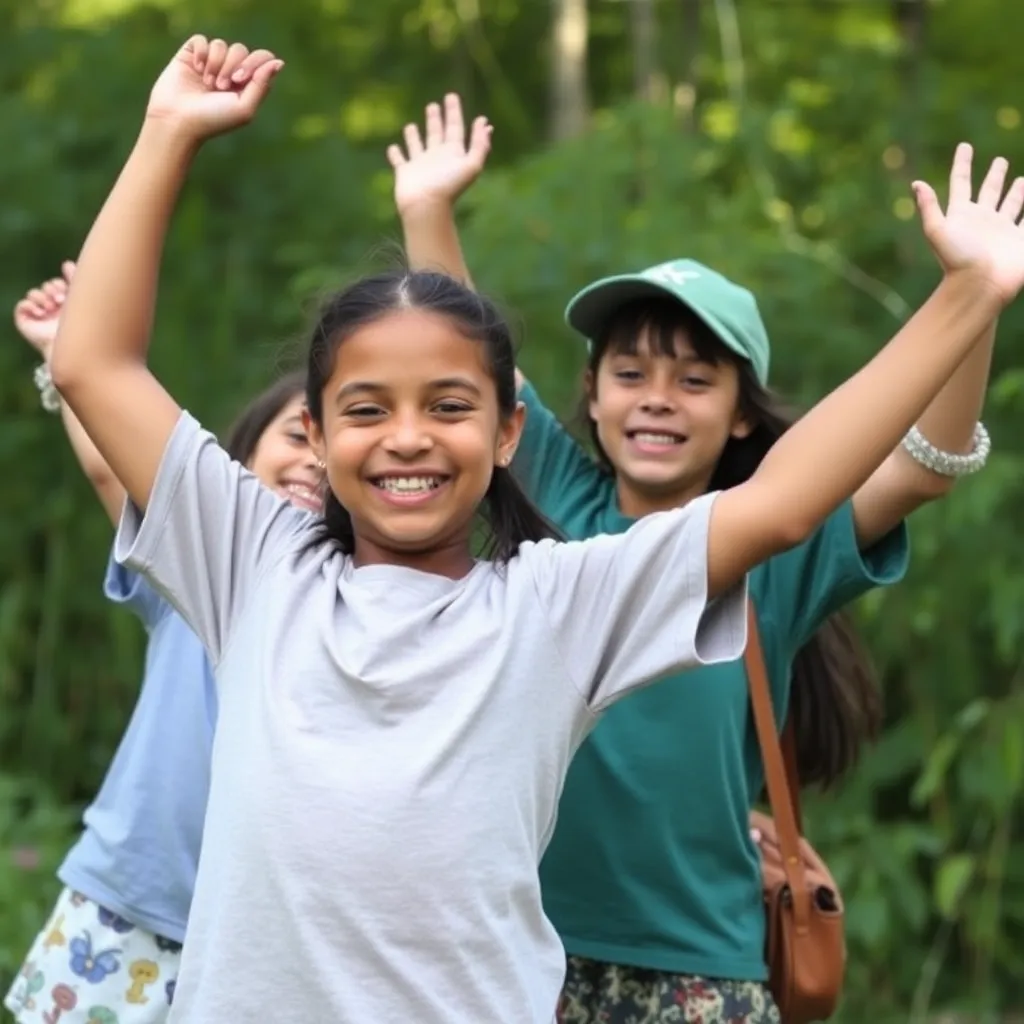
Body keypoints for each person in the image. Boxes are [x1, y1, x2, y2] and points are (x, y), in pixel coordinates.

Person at [49, 35, 1022, 1024]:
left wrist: (968, 295)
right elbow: (94, 367)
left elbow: (783, 502)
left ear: (510, 431)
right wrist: (167, 131)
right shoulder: (255, 561)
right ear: (319, 430)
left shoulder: (559, 602)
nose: (408, 437)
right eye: (368, 409)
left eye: (448, 406)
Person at [391, 98, 1007, 1022]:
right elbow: (465, 368)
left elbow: (925, 466)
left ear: (742, 412)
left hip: (701, 972)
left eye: (694, 379)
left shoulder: (773, 547)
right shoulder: (555, 497)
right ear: (591, 394)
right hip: (520, 955)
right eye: (630, 374)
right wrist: (426, 209)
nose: (657, 399)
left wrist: (976, 298)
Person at [4, 262, 321, 1024]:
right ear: (237, 461)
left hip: (260, 942)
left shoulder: (354, 603)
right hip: (126, 905)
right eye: (295, 434)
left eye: (334, 444)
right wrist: (65, 352)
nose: (314, 457)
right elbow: (108, 466)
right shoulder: (193, 561)